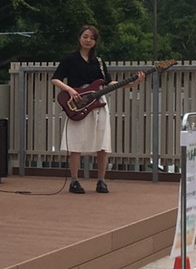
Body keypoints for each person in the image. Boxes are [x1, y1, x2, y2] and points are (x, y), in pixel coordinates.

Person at [51, 24, 143, 194]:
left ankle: (101, 180)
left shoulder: (99, 61)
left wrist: (132, 83)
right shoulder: (70, 59)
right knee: (76, 142)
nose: (88, 40)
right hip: (78, 102)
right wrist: (70, 90)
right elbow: (55, 79)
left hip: (98, 103)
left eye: (92, 38)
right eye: (85, 36)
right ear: (79, 38)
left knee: (102, 143)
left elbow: (108, 83)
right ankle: (74, 181)